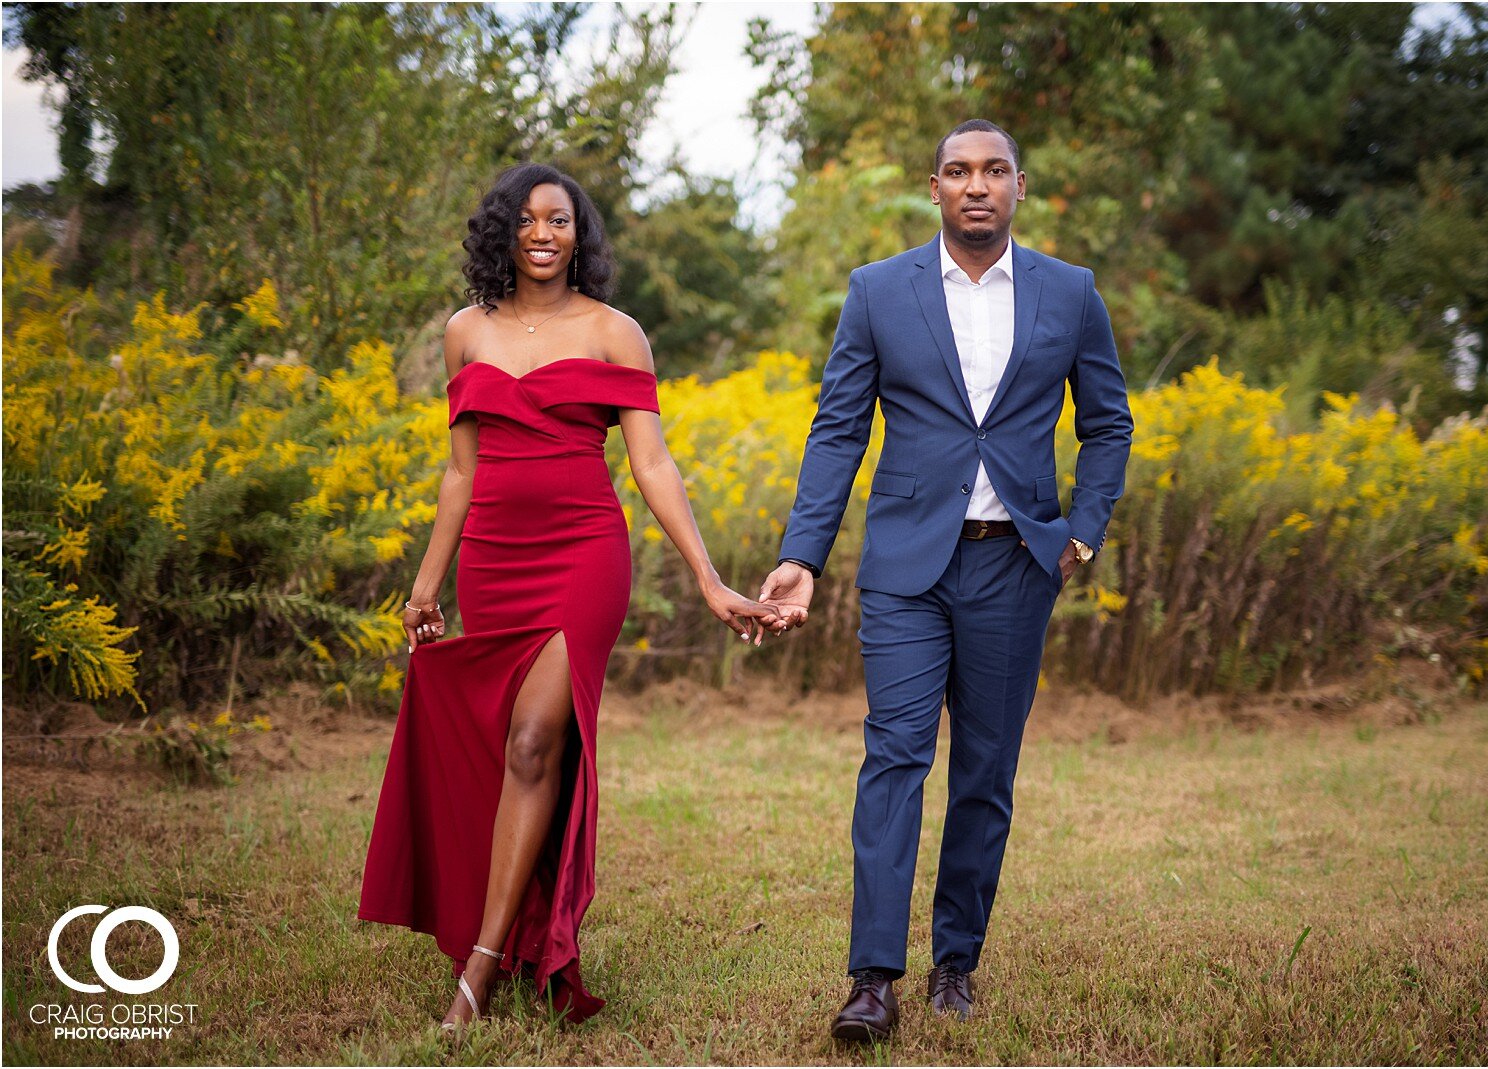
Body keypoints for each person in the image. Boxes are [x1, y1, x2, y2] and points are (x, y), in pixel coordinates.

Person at [357, 162, 785, 1036]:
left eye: (560, 220)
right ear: (502, 234)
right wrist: (425, 583)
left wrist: (708, 577)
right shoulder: (463, 332)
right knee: (505, 749)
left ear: (578, 235)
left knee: (532, 738)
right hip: (491, 560)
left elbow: (652, 464)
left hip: (583, 554)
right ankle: (510, 932)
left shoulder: (615, 332)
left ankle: (479, 970)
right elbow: (460, 471)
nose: (543, 234)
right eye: (526, 220)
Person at [759, 119, 1134, 1041]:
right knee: (894, 755)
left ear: (1018, 185)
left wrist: (1083, 529)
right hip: (905, 569)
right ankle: (874, 977)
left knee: (984, 770)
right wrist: (802, 554)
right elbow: (839, 427)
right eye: (959, 171)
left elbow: (1110, 423)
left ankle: (956, 958)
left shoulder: (1072, 294)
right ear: (934, 187)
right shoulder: (878, 292)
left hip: (1015, 564)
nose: (977, 185)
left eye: (995, 170)